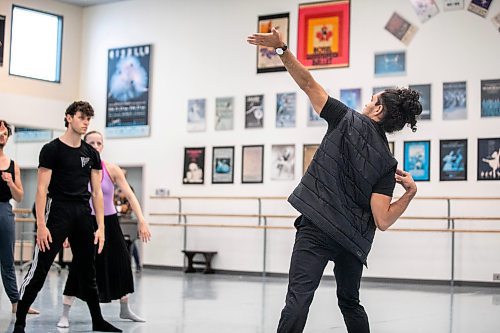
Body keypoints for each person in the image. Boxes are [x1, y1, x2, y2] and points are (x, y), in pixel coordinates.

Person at [247, 28, 422, 333]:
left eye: (371, 100)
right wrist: (410, 192)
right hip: (351, 242)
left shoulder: (346, 118)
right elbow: (382, 219)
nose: (366, 104)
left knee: (298, 301)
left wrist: (282, 49)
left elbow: (307, 82)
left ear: (378, 109)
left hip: (317, 229)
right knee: (349, 301)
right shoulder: (387, 162)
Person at [13, 102, 121, 333]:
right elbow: (41, 189)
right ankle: (20, 321)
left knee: (87, 269)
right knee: (40, 269)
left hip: (83, 214)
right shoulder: (52, 149)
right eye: (82, 117)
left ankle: (97, 320)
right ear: (69, 117)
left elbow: (97, 192)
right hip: (58, 212)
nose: (85, 123)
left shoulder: (90, 153)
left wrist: (100, 226)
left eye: (88, 119)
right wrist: (41, 224)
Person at [57, 130, 151, 328]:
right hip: (84, 222)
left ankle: (125, 308)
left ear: (102, 146)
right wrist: (66, 231)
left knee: (122, 261)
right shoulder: (76, 170)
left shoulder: (111, 169)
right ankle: (65, 313)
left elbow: (131, 196)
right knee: (80, 266)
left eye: (99, 143)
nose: (96, 146)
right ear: (84, 145)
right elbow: (67, 200)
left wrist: (142, 219)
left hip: (109, 222)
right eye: (91, 142)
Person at [0, 120, 38, 315]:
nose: (2, 136)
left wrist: (10, 184)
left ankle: (16, 303)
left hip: (4, 211)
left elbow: (20, 196)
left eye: (5, 133)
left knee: (7, 260)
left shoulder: (13, 165)